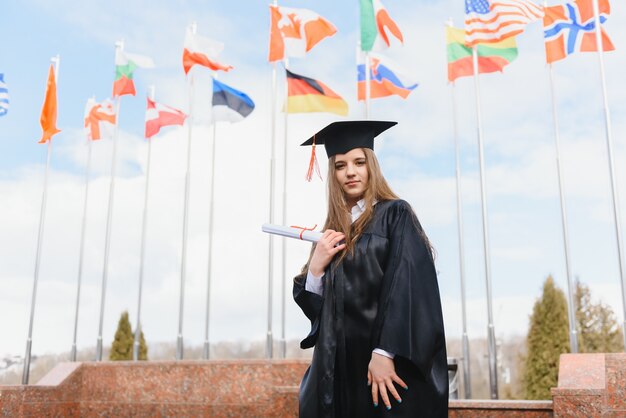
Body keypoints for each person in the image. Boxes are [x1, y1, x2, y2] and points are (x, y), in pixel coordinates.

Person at [293, 120, 448, 418]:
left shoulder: (395, 214)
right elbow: (321, 312)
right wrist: (315, 267)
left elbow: (407, 286)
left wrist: (384, 352)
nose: (350, 171)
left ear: (371, 166)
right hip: (338, 369)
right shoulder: (329, 234)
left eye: (359, 162)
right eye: (340, 166)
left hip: (383, 363)